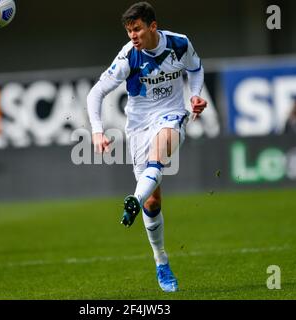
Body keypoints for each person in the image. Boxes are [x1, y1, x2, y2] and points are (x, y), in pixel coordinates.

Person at [86, 2, 207, 292]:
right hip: (138, 126)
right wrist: (96, 132)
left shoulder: (179, 44)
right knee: (154, 202)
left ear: (153, 26)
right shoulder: (128, 56)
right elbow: (96, 93)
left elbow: (196, 69)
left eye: (137, 28)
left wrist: (195, 96)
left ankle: (134, 201)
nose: (133, 35)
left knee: (159, 157)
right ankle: (161, 261)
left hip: (172, 114)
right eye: (129, 30)